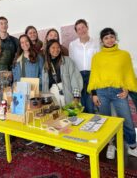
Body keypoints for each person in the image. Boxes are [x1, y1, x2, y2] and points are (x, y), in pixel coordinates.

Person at [88, 27, 137, 159]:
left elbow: (128, 75)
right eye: (106, 38)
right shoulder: (97, 57)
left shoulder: (124, 55)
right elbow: (94, 77)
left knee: (126, 120)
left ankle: (132, 146)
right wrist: (94, 94)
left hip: (118, 92)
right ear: (102, 41)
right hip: (101, 92)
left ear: (115, 38)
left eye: (111, 37)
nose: (109, 40)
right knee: (105, 121)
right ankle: (111, 145)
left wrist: (126, 88)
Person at [42, 39, 83, 153]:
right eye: (52, 48)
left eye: (57, 47)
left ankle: (77, 146)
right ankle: (58, 142)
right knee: (56, 118)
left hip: (66, 91)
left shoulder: (67, 61)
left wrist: (76, 96)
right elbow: (44, 83)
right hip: (52, 93)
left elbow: (75, 78)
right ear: (48, 50)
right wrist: (45, 99)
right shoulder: (46, 64)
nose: (56, 50)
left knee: (71, 117)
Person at [69, 19, 100, 114]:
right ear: (76, 32)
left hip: (92, 75)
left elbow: (99, 61)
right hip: (78, 76)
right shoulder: (72, 44)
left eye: (83, 27)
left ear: (87, 27)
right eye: (79, 29)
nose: (82, 30)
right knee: (80, 105)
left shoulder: (96, 42)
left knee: (91, 105)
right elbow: (71, 62)